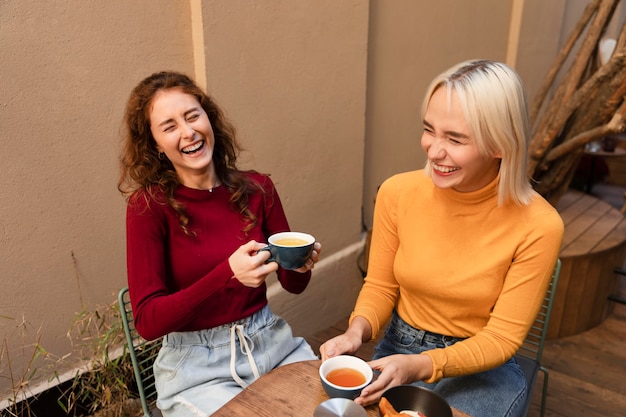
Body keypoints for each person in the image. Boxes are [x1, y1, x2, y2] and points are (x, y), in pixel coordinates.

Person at [320, 60, 564, 417]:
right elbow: (381, 286)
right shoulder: (397, 193)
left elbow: (501, 340)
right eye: (429, 130)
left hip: (483, 367)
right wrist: (356, 331)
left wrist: (420, 365)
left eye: (455, 138)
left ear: (501, 144)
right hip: (398, 347)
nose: (433, 150)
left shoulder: (539, 225)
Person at [117, 71, 321, 416]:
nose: (188, 131)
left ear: (208, 118)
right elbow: (148, 321)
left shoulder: (258, 189)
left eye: (193, 115)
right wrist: (227, 274)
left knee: (336, 406)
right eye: (169, 126)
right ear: (154, 144)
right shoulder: (148, 208)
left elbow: (293, 284)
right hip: (196, 370)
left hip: (272, 344)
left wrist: (300, 264)